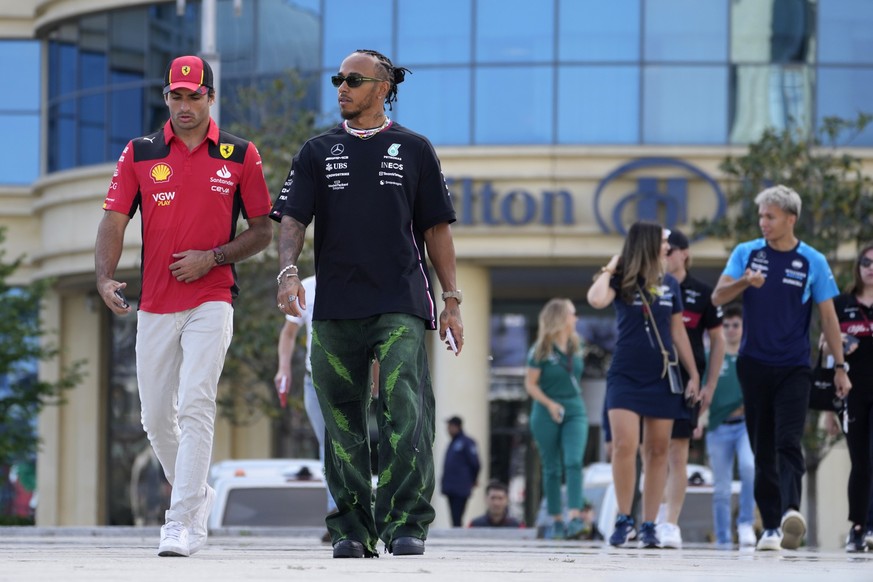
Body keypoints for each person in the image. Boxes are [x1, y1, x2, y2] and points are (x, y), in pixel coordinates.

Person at [270, 49, 463, 559]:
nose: (341, 87)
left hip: (400, 300)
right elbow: (292, 218)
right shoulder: (316, 151)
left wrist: (452, 299)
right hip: (333, 307)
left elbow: (436, 229)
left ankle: (408, 522)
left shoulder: (415, 149)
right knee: (341, 420)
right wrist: (288, 271)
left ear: (383, 87)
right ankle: (352, 528)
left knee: (404, 408)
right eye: (338, 79)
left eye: (353, 79)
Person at [94, 55, 273, 557]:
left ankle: (180, 521)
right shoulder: (140, 152)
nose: (185, 105)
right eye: (177, 95)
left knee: (196, 400)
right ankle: (198, 496)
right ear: (167, 98)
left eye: (195, 96)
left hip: (212, 299)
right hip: (154, 302)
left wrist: (212, 257)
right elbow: (113, 220)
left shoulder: (241, 154)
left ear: (210, 98)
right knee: (154, 416)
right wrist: (104, 278)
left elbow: (262, 230)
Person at [711, 184, 851, 551]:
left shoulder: (813, 262)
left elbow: (829, 318)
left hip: (794, 367)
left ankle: (791, 512)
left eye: (770, 216)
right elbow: (717, 297)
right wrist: (745, 281)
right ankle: (770, 526)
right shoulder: (746, 253)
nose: (763, 223)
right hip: (753, 365)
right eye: (760, 216)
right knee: (762, 447)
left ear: (791, 219)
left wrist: (840, 367)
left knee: (788, 441)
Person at [587, 221, 700, 549]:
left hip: (662, 376)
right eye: (664, 241)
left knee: (657, 450)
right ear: (648, 244)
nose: (668, 246)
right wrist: (613, 264)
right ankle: (624, 519)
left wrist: (693, 373)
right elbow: (595, 299)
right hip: (625, 373)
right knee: (624, 445)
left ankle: (650, 523)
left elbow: (678, 332)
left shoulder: (670, 284)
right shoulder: (622, 278)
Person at [656, 230, 725, 548]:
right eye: (663, 250)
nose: (666, 255)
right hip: (654, 377)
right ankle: (653, 515)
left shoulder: (702, 292)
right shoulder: (652, 287)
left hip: (688, 381)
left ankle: (671, 522)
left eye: (671, 250)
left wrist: (710, 384)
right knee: (653, 450)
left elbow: (718, 340)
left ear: (684, 253)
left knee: (677, 452)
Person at [274, 275, 338, 522]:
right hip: (315, 380)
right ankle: (337, 510)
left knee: (344, 443)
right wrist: (284, 368)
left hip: (348, 380)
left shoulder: (355, 281)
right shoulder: (308, 288)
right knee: (327, 442)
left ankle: (350, 510)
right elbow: (289, 333)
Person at [524, 298, 589, 540]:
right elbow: (530, 385)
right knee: (551, 467)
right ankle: (556, 520)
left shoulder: (577, 344)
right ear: (561, 318)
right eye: (573, 314)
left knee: (574, 461)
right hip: (545, 409)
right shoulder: (540, 350)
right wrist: (551, 404)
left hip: (574, 407)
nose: (576, 318)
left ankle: (574, 516)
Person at [701, 304, 757, 549]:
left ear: (744, 327)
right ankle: (722, 538)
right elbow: (703, 391)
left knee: (749, 467)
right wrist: (698, 419)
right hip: (718, 426)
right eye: (726, 325)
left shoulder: (751, 355)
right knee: (721, 487)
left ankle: (746, 522)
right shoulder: (710, 356)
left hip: (745, 425)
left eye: (736, 325)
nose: (731, 329)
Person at [829, 243, 873, 552]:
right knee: (860, 463)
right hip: (853, 393)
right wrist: (841, 342)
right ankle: (857, 528)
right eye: (866, 262)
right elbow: (825, 347)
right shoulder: (842, 303)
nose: (871, 267)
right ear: (857, 267)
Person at [441, 416, 481, 527]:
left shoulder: (467, 442)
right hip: (451, 487)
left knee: (457, 516)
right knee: (454, 517)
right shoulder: (453, 443)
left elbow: (475, 463)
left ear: (456, 427)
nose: (448, 429)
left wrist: (473, 480)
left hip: (461, 487)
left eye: (450, 426)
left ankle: (457, 537)